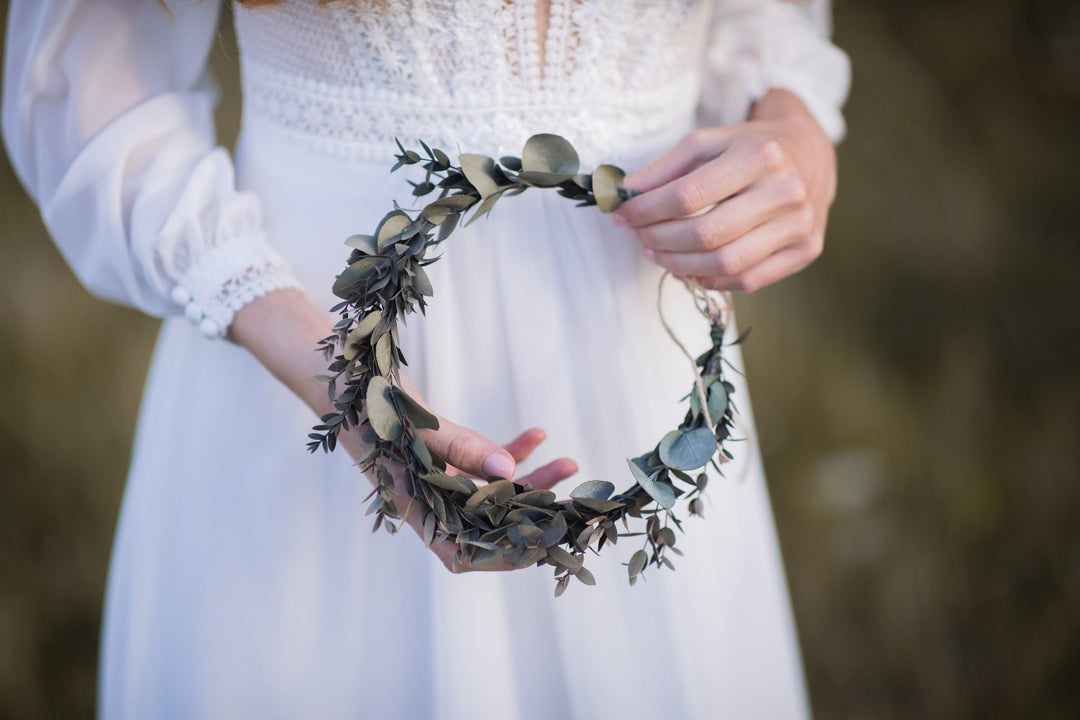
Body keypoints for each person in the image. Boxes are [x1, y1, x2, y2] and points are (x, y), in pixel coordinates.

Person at [2, 1, 850, 717]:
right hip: (310, 356)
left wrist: (794, 124)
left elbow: (767, 16)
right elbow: (91, 99)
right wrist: (341, 383)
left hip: (640, 353)